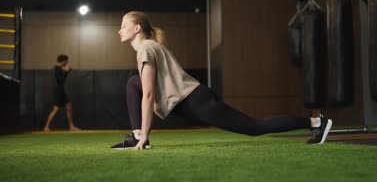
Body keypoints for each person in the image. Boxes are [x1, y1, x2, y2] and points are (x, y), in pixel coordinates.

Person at [111, 11, 333, 150]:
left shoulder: (146, 48)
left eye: (123, 25)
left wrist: (146, 137)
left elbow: (148, 95)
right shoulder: (147, 48)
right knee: (133, 82)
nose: (119, 30)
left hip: (195, 101)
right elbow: (143, 89)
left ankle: (316, 123)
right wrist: (142, 135)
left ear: (137, 28)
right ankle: (137, 135)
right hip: (187, 102)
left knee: (254, 127)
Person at [43, 55, 81, 132]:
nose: (67, 63)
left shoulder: (58, 68)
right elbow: (61, 80)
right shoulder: (56, 69)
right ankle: (46, 127)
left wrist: (64, 71)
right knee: (56, 109)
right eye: (66, 61)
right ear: (63, 61)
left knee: (69, 106)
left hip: (61, 90)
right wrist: (66, 72)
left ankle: (71, 126)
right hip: (58, 91)